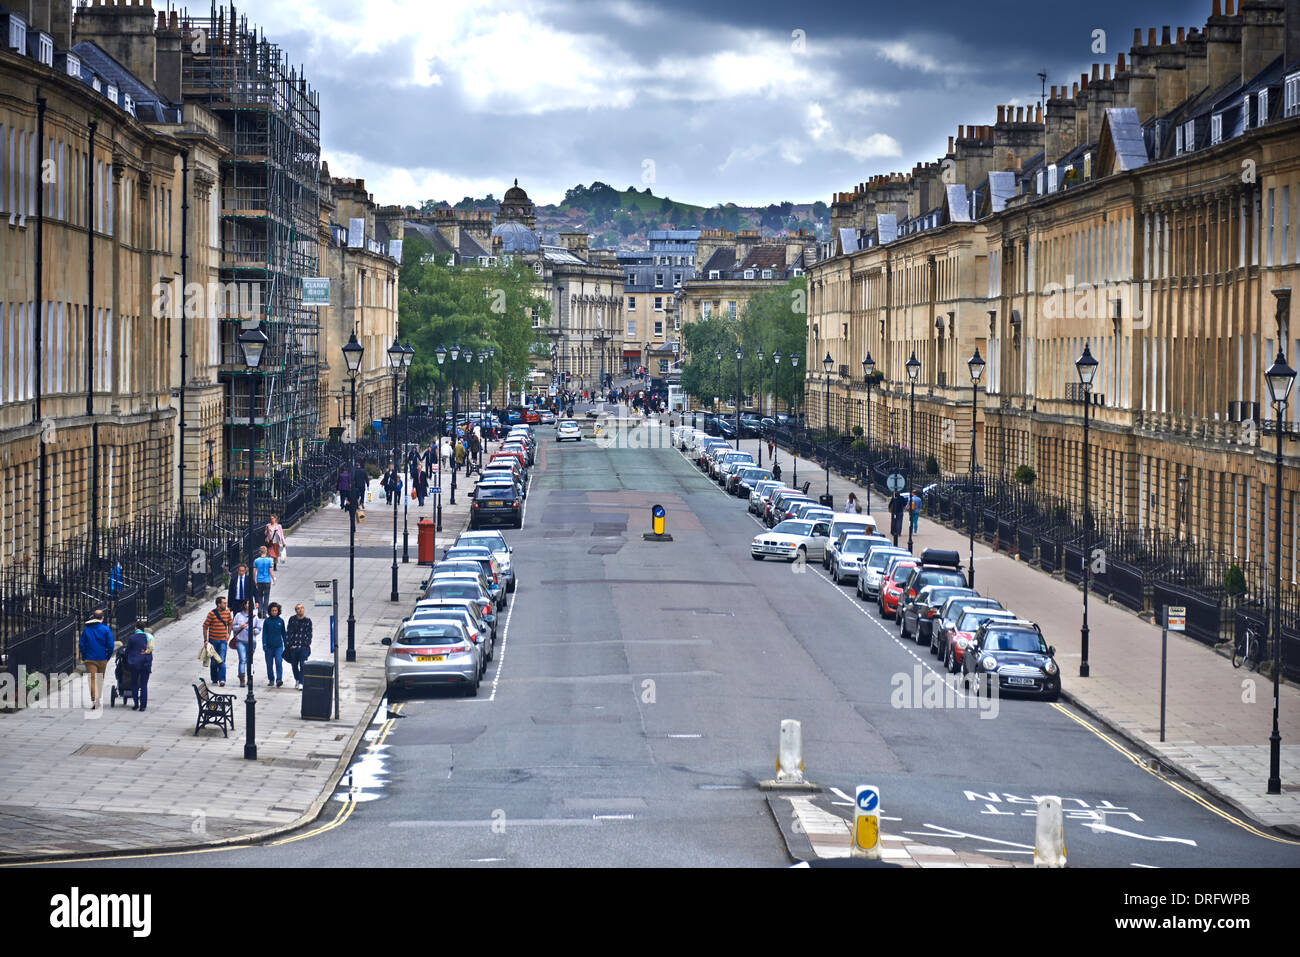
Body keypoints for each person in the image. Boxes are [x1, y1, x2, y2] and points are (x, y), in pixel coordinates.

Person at [78, 609, 114, 710]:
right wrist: (107, 656)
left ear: (94, 617)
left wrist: (84, 656)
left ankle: (94, 700)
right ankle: (98, 699)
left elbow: (81, 644)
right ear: (102, 618)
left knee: (92, 679)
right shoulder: (106, 629)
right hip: (102, 657)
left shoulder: (87, 629)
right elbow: (111, 645)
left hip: (89, 658)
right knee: (99, 679)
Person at [202, 596, 234, 686]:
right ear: (218, 604)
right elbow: (205, 626)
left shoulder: (227, 612)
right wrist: (206, 640)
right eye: (224, 603)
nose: (226, 604)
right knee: (213, 661)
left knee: (222, 660)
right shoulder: (211, 614)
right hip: (213, 641)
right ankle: (214, 678)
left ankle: (222, 679)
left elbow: (230, 623)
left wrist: (228, 633)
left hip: (223, 640)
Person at [124, 617, 154, 712]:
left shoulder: (132, 638)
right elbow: (151, 649)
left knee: (134, 683)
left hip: (135, 663)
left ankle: (136, 703)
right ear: (144, 628)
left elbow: (127, 651)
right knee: (144, 684)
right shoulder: (149, 637)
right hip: (146, 662)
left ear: (136, 628)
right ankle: (143, 706)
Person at [231, 599, 260, 687]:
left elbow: (259, 629)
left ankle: (250, 677)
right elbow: (233, 627)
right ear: (244, 605)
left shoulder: (255, 617)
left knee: (249, 660)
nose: (249, 605)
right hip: (240, 641)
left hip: (252, 641)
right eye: (247, 603)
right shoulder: (238, 615)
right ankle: (242, 678)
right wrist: (240, 626)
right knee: (242, 659)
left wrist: (254, 630)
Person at [285, 604, 313, 689]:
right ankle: (297, 679)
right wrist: (290, 645)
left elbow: (309, 633)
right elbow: (289, 632)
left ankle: (301, 682)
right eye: (298, 609)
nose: (300, 610)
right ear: (296, 611)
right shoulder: (292, 619)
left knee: (302, 665)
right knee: (294, 665)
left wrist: (306, 644)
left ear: (303, 609)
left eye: (301, 608)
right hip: (294, 647)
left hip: (303, 647)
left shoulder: (308, 621)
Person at [262, 602, 287, 688]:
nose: (274, 612)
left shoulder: (281, 621)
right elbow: (264, 634)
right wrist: (264, 644)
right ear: (270, 611)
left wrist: (286, 644)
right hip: (268, 646)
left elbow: (284, 633)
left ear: (278, 611)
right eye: (272, 610)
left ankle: (279, 679)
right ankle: (271, 679)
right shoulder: (267, 621)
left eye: (276, 610)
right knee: (269, 664)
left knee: (279, 662)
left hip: (278, 646)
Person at [253, 545, 275, 612]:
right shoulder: (269, 560)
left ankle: (260, 610)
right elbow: (270, 571)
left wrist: (255, 580)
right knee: (266, 597)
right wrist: (273, 579)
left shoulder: (256, 560)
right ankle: (265, 612)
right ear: (266, 552)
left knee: (259, 596)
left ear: (260, 552)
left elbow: (254, 572)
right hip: (267, 580)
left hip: (259, 580)